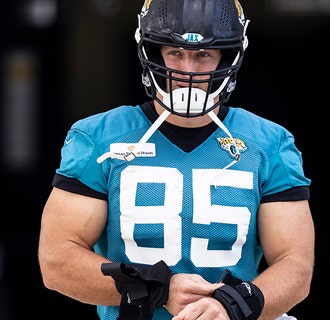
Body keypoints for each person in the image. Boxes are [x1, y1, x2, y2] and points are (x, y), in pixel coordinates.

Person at [37, 0, 315, 319]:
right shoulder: (99, 137)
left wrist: (231, 306)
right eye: (174, 52)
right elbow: (57, 260)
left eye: (203, 55)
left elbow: (295, 265)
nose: (187, 70)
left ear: (228, 56)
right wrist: (157, 288)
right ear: (153, 52)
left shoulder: (268, 143)